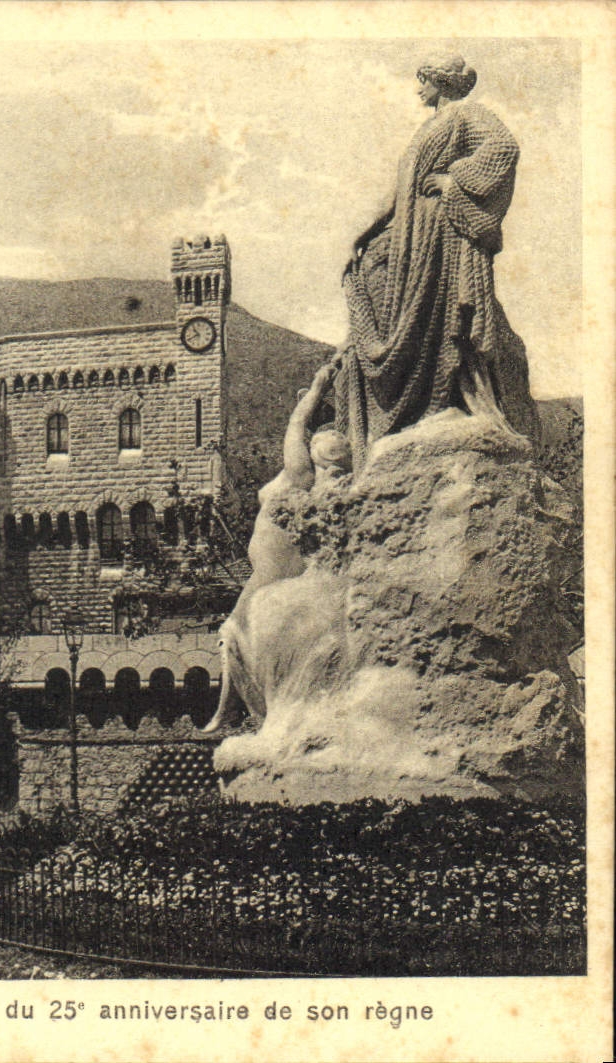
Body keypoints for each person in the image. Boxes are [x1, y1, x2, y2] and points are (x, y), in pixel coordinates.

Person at [337, 54, 537, 466]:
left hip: (443, 232)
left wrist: (454, 179)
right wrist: (363, 232)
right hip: (414, 233)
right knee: (408, 312)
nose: (417, 89)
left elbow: (504, 149)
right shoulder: (426, 129)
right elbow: (400, 192)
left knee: (441, 313)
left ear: (441, 82)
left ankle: (447, 399)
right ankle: (417, 405)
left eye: (422, 80)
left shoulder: (467, 115)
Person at [205, 361, 346, 733]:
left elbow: (295, 425)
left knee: (233, 632)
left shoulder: (300, 472)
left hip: (273, 571)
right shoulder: (306, 479)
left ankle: (234, 710)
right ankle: (238, 709)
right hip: (277, 567)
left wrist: (317, 387)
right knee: (236, 634)